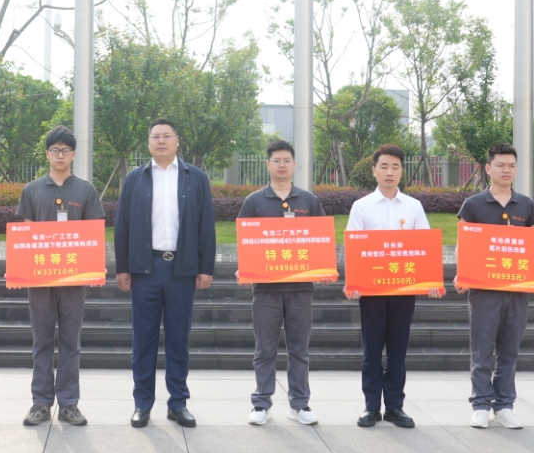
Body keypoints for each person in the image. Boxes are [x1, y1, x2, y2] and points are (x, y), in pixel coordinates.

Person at [115, 119, 216, 428]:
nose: (161, 140)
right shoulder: (135, 179)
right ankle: (142, 404)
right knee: (143, 340)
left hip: (182, 270)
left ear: (177, 141)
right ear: (148, 142)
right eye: (155, 136)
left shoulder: (195, 177)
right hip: (145, 269)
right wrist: (122, 267)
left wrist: (206, 268)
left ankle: (178, 403)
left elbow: (206, 224)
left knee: (178, 339)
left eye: (167, 136)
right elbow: (122, 226)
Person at [346, 144, 441, 429]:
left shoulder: (413, 206)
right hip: (372, 292)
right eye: (384, 166)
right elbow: (354, 248)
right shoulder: (361, 206)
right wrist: (353, 284)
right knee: (372, 351)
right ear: (374, 170)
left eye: (395, 167)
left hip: (403, 291)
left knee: (398, 351)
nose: (389, 172)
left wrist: (432, 282)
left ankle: (395, 407)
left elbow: (424, 247)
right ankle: (371, 407)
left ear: (402, 172)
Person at [456, 143, 534, 429]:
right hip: (484, 292)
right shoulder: (473, 204)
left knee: (509, 351)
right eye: (500, 165)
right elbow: (463, 244)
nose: (506, 170)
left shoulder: (527, 206)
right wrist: (461, 274)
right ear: (488, 168)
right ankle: (480, 405)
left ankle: (504, 405)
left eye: (511, 165)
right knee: (482, 350)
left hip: (516, 292)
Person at [17, 127, 105, 428]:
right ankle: (41, 403)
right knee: (41, 341)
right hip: (40, 279)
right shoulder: (32, 190)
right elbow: (26, 234)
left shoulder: (85, 190)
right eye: (54, 150)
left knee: (70, 341)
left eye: (65, 150)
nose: (60, 155)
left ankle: (68, 404)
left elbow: (94, 234)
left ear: (73, 154)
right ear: (47, 154)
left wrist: (96, 265)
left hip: (73, 279)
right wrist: (19, 266)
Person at [237, 140, 325, 427]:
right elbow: (245, 241)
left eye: (287, 160)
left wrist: (324, 267)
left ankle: (299, 404)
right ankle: (261, 404)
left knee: (299, 350)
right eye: (277, 160)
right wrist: (244, 269)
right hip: (266, 291)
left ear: (295, 165)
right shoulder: (254, 201)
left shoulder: (309, 201)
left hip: (301, 290)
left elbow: (321, 241)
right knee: (265, 349)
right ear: (268, 165)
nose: (282, 165)